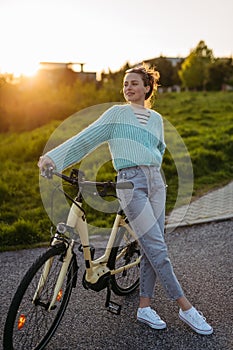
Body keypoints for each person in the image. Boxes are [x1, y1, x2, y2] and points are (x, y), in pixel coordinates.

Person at [38, 65, 213, 335]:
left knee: (152, 247)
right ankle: (186, 308)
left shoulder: (156, 119)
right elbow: (86, 139)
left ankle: (144, 307)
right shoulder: (116, 114)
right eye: (125, 83)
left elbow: (159, 149)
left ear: (147, 88)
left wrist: (149, 166)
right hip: (130, 183)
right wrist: (53, 157)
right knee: (158, 249)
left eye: (134, 83)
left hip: (157, 182)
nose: (128, 87)